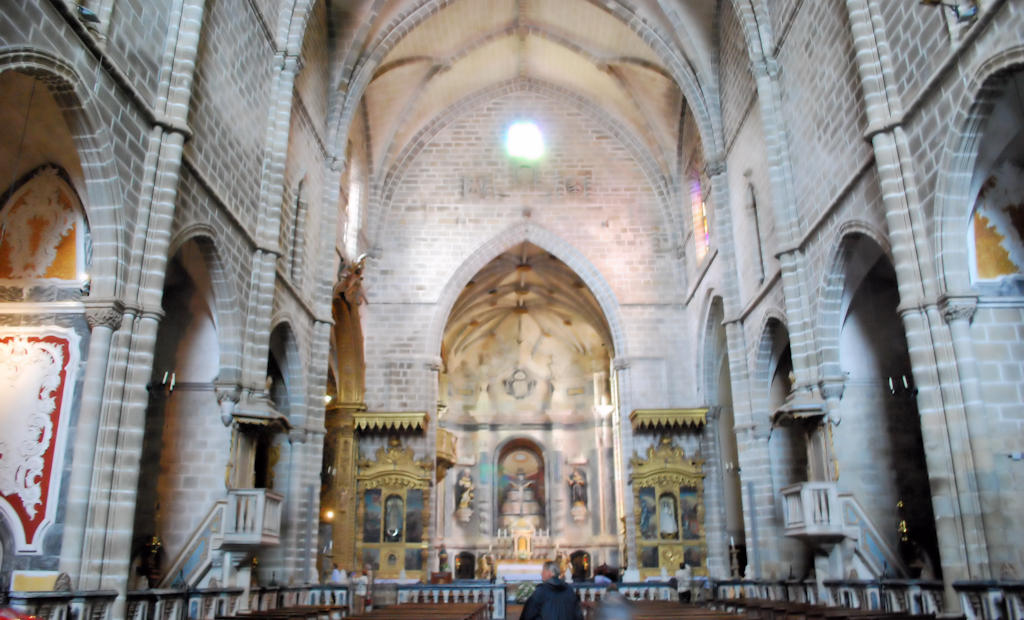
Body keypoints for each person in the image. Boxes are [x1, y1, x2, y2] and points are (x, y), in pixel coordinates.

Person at [520, 560, 584, 620]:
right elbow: (577, 614)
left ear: (551, 573)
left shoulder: (541, 591)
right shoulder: (568, 590)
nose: (541, 573)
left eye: (543, 571)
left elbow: (528, 614)